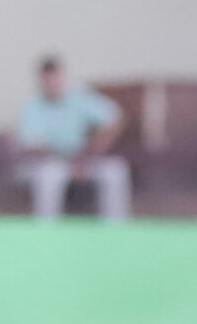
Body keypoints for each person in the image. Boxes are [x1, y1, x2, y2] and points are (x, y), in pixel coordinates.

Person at [14, 56, 130, 222]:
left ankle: (116, 230)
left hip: (85, 158)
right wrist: (68, 159)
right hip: (52, 161)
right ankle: (46, 231)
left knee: (115, 170)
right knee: (49, 176)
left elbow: (115, 118)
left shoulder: (78, 98)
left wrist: (95, 147)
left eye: (55, 77)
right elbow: (32, 146)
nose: (52, 83)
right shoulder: (31, 107)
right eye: (47, 79)